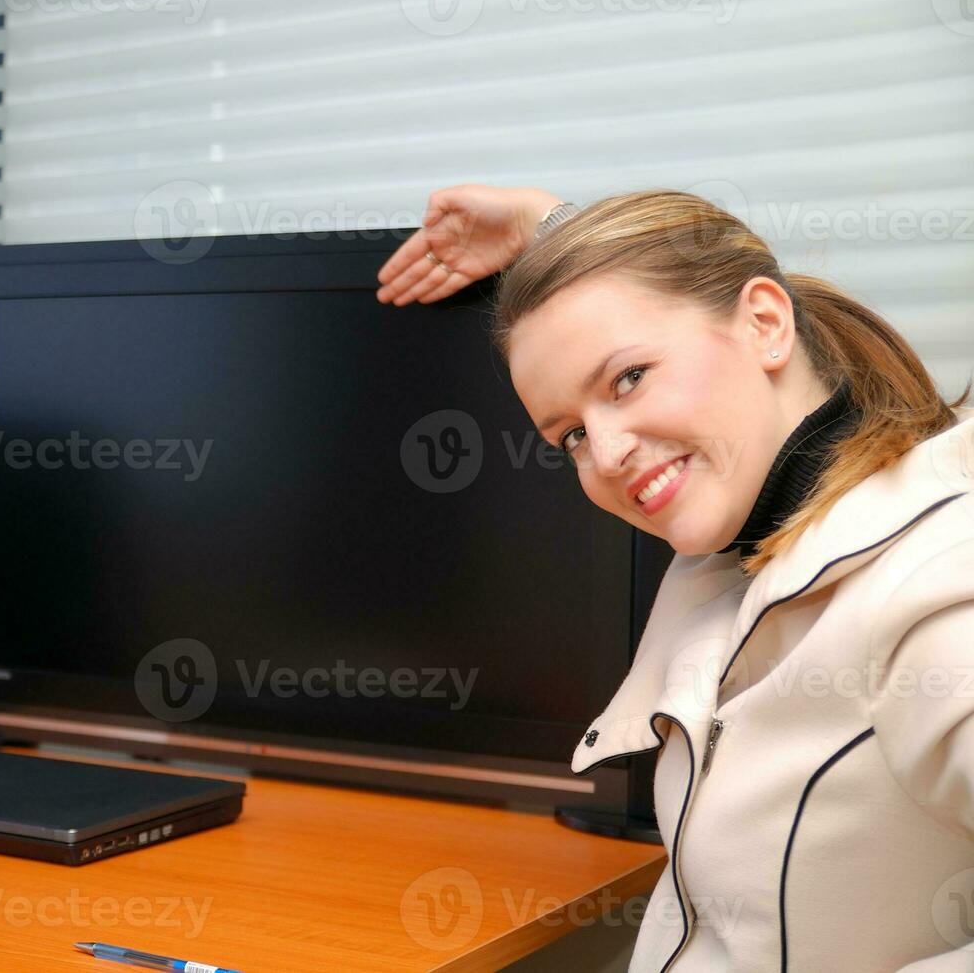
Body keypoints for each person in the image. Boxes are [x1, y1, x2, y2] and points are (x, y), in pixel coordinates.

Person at [378, 186, 974, 972]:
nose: (609, 452)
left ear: (765, 322)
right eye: (572, 436)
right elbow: (654, 296)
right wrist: (551, 229)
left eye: (627, 380)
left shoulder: (935, 589)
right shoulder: (748, 544)